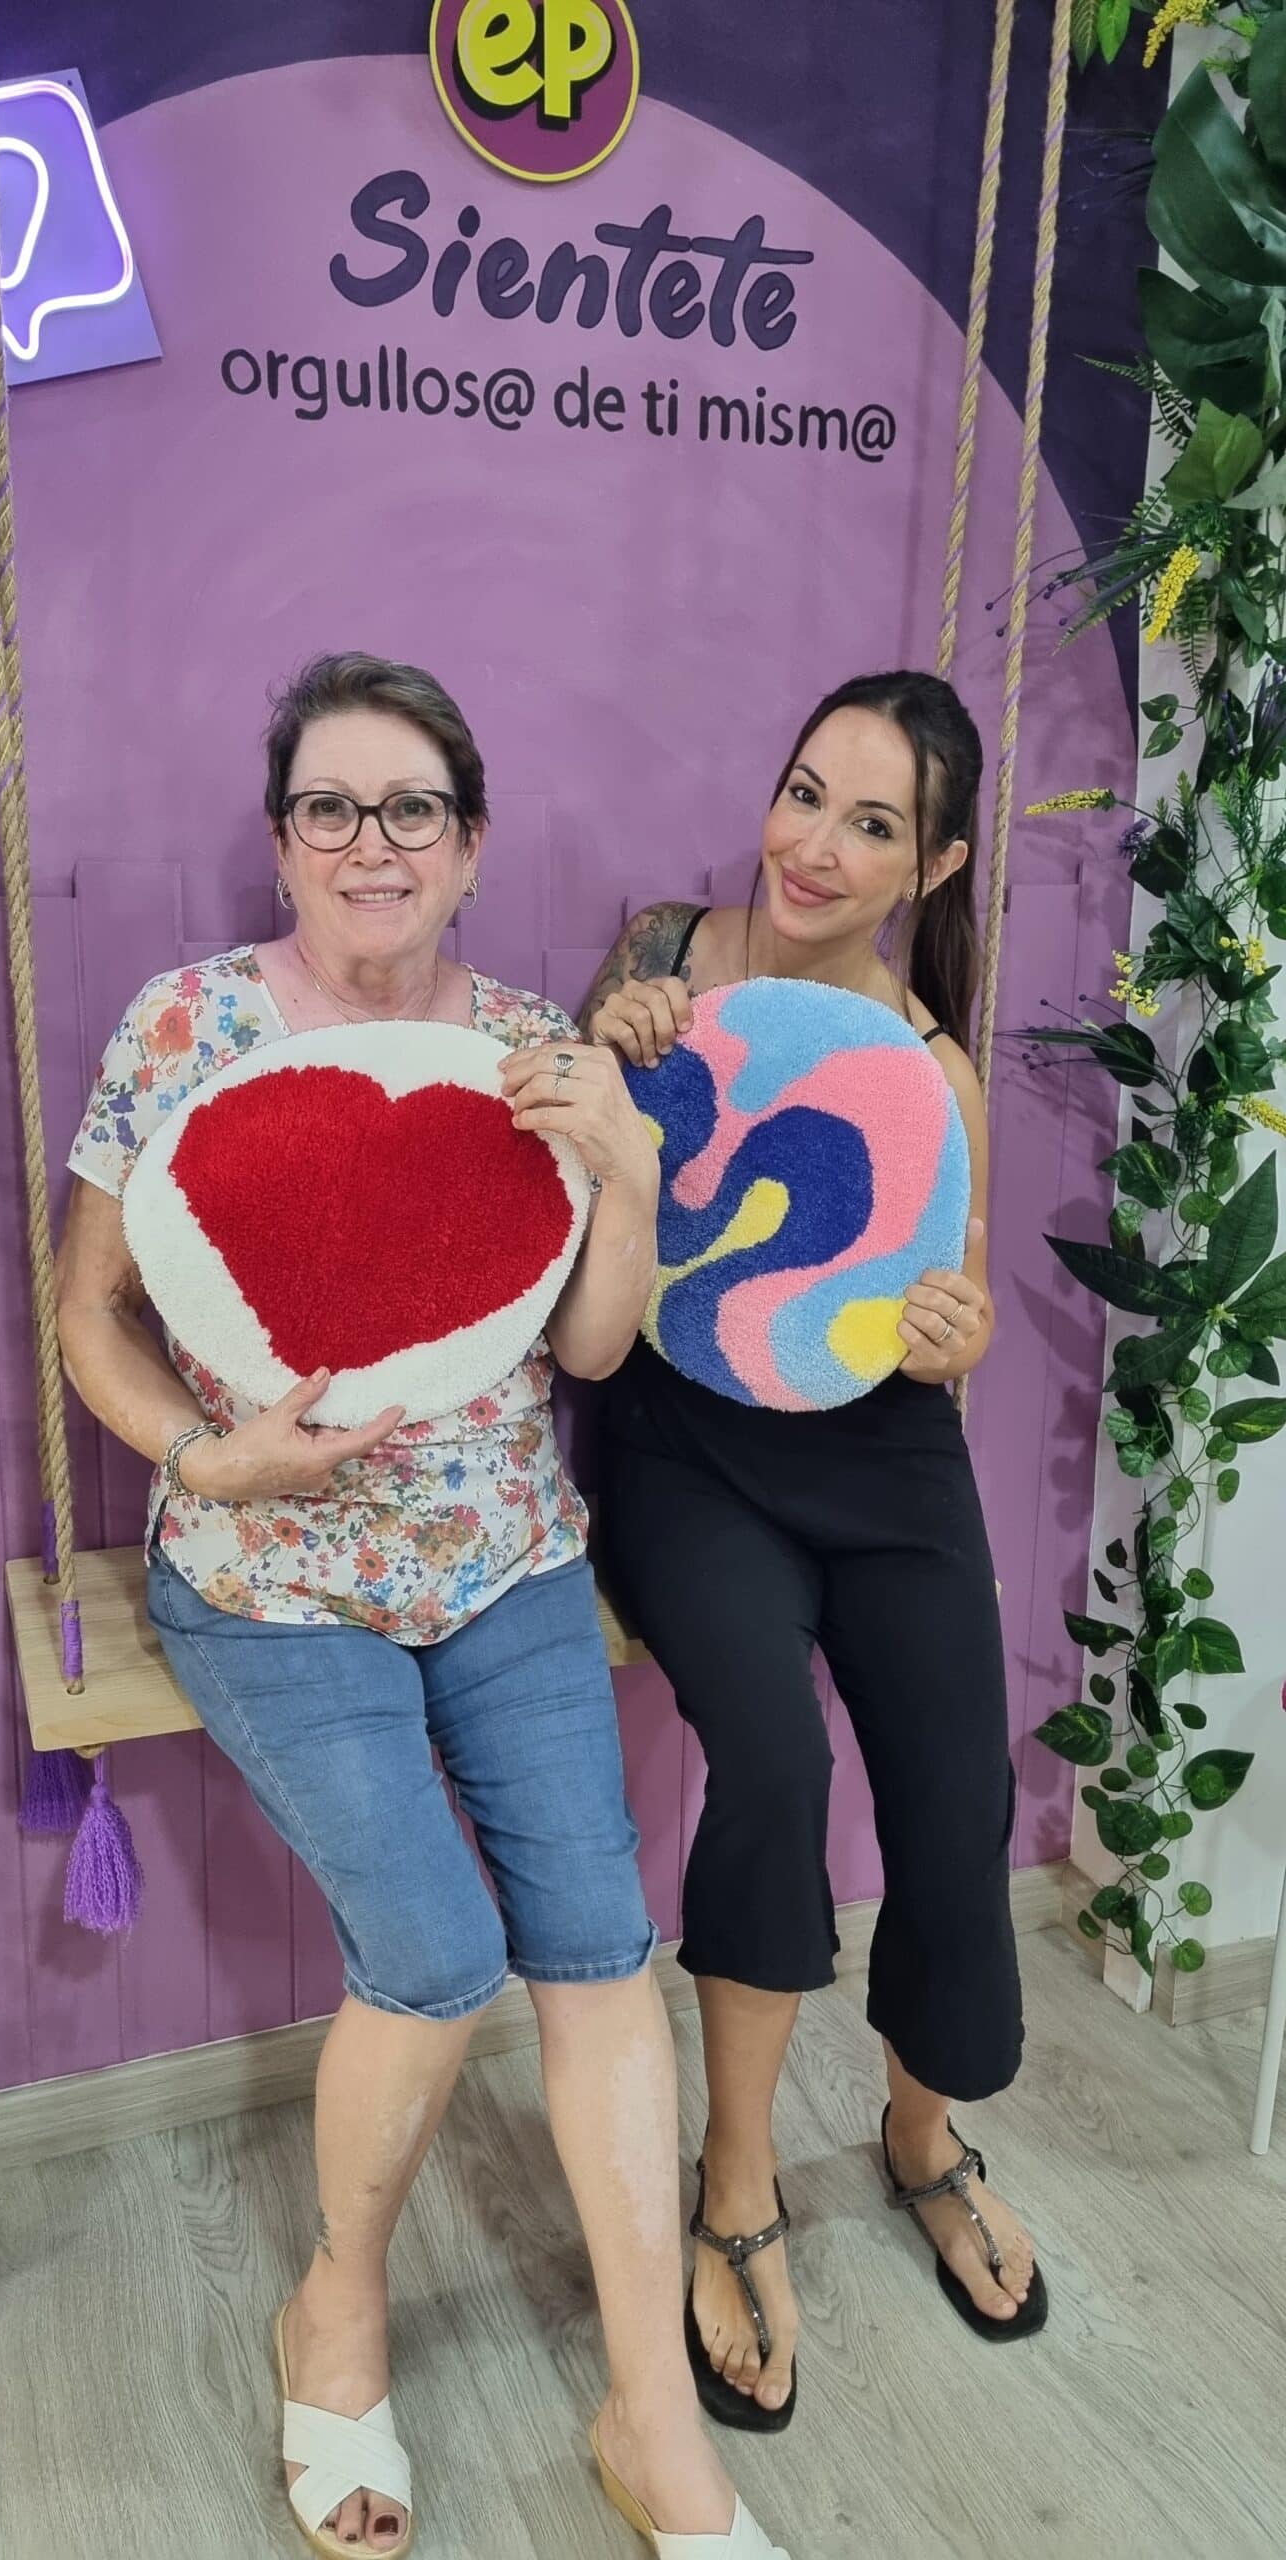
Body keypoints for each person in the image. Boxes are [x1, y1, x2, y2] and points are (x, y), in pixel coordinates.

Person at [56, 653, 788, 2560]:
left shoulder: (534, 1049)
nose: (368, 844)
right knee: (442, 1955)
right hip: (271, 1579)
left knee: (601, 1949)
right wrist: (202, 1461)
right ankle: (338, 2307)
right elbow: (90, 1314)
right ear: (282, 839)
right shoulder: (185, 1027)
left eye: (411, 811)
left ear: (469, 847)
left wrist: (625, 1171)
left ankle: (651, 2412)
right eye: (330, 807)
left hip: (509, 1563)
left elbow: (593, 1347)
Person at [583, 669, 1049, 2440]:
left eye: (872, 824)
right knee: (771, 1761)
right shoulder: (662, 959)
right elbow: (580, 1204)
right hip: (687, 1441)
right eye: (803, 793)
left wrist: (956, 1332)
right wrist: (608, 1054)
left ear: (933, 866)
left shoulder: (933, 1069)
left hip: (880, 1453)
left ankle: (922, 2135)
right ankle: (734, 2184)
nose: (817, 846)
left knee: (956, 1784)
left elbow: (956, 1313)